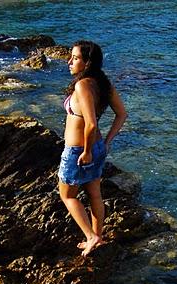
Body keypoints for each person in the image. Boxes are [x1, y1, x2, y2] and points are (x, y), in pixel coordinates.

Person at [58, 40, 127, 256]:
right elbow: (122, 114)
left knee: (67, 196)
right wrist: (105, 142)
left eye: (75, 58)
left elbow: (90, 123)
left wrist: (87, 151)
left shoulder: (83, 85)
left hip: (80, 151)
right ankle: (99, 237)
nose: (69, 62)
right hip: (96, 147)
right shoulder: (102, 83)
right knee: (94, 195)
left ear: (87, 62)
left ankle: (91, 236)